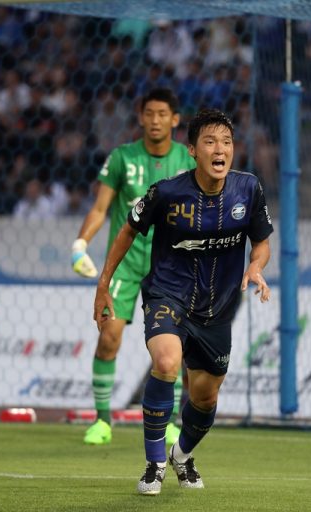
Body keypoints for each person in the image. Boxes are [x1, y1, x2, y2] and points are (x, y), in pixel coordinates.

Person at [92, 108, 273, 495]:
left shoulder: (248, 189)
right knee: (166, 363)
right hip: (167, 295)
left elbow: (261, 243)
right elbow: (127, 230)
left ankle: (182, 455)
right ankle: (154, 464)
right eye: (209, 142)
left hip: (217, 309)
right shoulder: (167, 192)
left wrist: (256, 266)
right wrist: (104, 284)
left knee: (206, 397)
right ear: (192, 150)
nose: (220, 149)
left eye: (226, 142)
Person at [71, 87, 195, 446]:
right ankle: (102, 420)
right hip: (124, 264)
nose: (155, 120)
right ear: (140, 117)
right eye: (149, 113)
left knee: (173, 347)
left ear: (175, 120)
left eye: (162, 114)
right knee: (109, 337)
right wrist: (80, 244)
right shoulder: (122, 157)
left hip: (168, 266)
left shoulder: (187, 161)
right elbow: (100, 209)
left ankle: (170, 422)